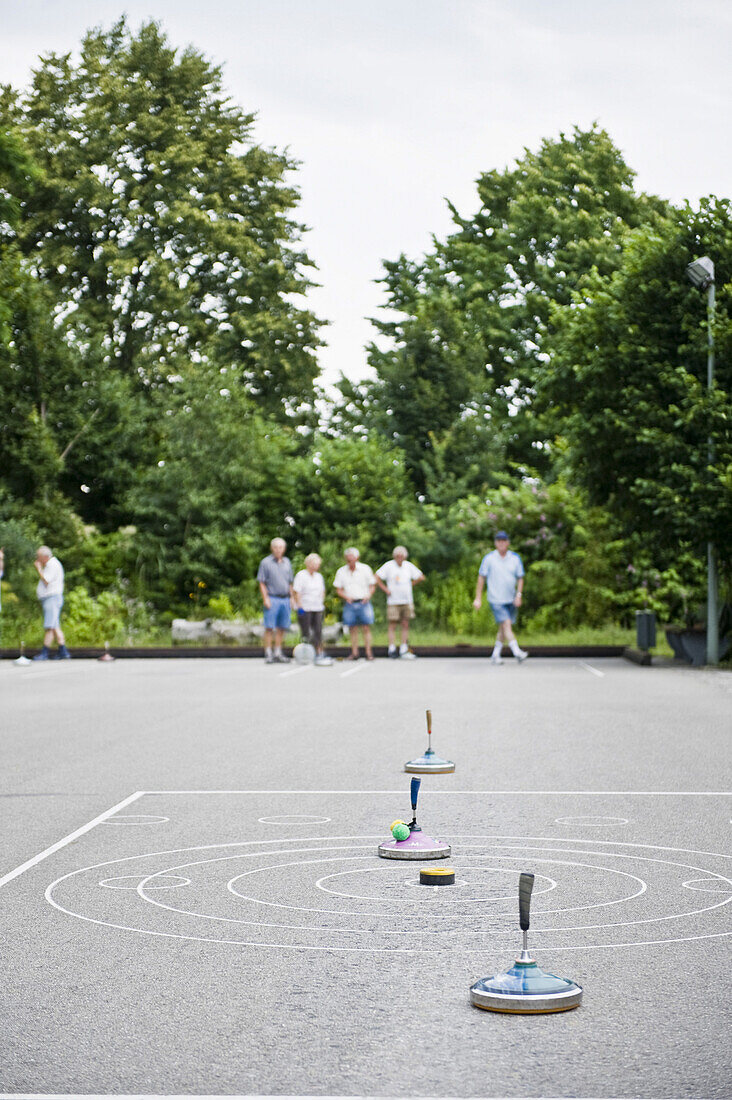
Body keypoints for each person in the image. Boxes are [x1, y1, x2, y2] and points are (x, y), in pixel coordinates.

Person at [473, 531, 528, 664]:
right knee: (506, 624)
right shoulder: (489, 558)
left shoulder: (515, 558)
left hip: (510, 598)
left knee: (502, 628)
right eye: (498, 541)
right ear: (495, 543)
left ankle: (495, 654)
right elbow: (481, 578)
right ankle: (517, 651)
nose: (501, 543)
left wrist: (518, 595)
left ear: (508, 542)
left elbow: (520, 578)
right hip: (496, 599)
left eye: (503, 541)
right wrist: (478, 598)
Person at [375, 545, 425, 659]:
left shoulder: (408, 566)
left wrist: (411, 584)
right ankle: (391, 648)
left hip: (407, 600)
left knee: (405, 624)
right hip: (393, 600)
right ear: (394, 556)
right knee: (392, 624)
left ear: (405, 556)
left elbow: (421, 577)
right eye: (397, 556)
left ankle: (403, 648)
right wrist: (385, 589)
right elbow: (376, 577)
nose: (399, 558)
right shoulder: (388, 566)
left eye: (401, 556)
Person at [333, 547, 376, 661]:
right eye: (348, 559)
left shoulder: (365, 569)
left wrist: (368, 596)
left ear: (357, 558)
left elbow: (372, 585)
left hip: (364, 601)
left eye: (352, 558)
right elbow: (338, 589)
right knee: (352, 628)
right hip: (350, 603)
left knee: (366, 627)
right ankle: (354, 653)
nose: (350, 561)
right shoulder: (341, 571)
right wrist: (346, 597)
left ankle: (368, 653)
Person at [257, 537, 294, 664]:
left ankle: (278, 652)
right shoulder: (265, 562)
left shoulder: (287, 562)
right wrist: (265, 598)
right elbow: (261, 582)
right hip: (272, 598)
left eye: (281, 547)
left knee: (282, 627)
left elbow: (290, 582)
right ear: (272, 548)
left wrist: (292, 598)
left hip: (285, 599)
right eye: (276, 547)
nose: (278, 549)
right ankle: (268, 653)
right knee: (269, 627)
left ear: (284, 549)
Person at [293, 553, 333, 667]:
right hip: (305, 607)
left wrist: (321, 601)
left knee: (318, 631)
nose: (317, 566)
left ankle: (319, 652)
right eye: (315, 563)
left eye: (318, 564)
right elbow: (297, 592)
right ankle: (306, 653)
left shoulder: (319, 576)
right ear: (309, 563)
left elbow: (322, 590)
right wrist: (299, 606)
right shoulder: (301, 575)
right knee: (306, 632)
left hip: (317, 607)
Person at [33, 546, 71, 660]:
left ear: (45, 556)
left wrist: (39, 569)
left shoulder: (52, 564)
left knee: (50, 626)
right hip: (51, 598)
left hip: (52, 598)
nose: (37, 559)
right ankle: (63, 651)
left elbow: (46, 580)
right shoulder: (53, 564)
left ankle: (45, 653)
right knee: (54, 625)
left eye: (39, 557)